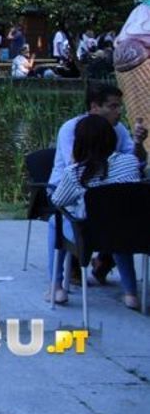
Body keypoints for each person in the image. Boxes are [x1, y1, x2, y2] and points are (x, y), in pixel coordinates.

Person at [45, 84, 147, 292]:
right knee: (114, 214)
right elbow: (76, 163)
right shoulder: (72, 129)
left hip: (100, 194)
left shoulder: (119, 129)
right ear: (94, 107)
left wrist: (137, 143)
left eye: (120, 106)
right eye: (113, 106)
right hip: (74, 189)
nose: (119, 111)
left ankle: (59, 285)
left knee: (109, 212)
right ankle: (124, 286)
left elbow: (137, 160)